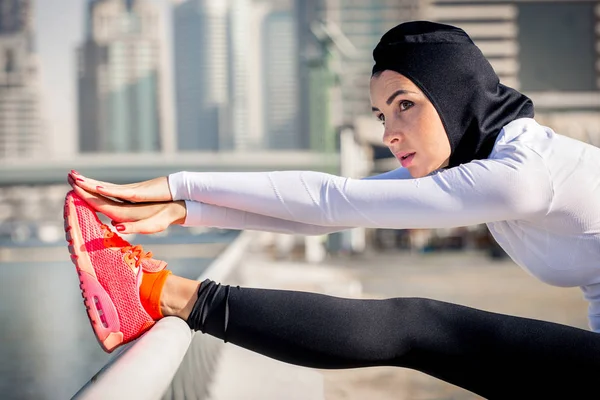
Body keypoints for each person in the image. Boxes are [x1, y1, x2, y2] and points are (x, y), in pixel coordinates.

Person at [64, 21, 600, 399]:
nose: (389, 133)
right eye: (380, 114)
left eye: (405, 105)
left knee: (419, 325)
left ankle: (164, 295)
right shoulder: (487, 161)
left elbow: (331, 202)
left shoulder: (522, 172)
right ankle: (159, 294)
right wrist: (185, 210)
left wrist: (178, 184)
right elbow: (332, 211)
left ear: (456, 94)